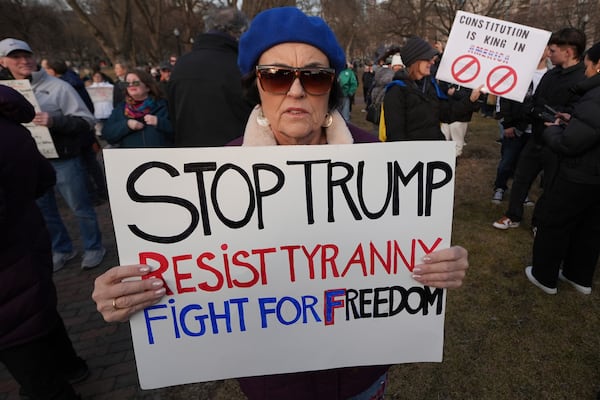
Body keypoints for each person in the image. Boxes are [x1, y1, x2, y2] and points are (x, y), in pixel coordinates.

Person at [91, 7, 470, 400]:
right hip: (273, 386)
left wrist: (443, 264)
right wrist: (129, 293)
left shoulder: (381, 160)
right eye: (275, 75)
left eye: (315, 75)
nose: (295, 90)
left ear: (332, 85)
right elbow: (188, 274)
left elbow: (405, 251)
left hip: (360, 377)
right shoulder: (214, 175)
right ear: (255, 84)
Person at [0, 84, 89, 400]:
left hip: (9, 262)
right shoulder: (12, 128)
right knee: (36, 308)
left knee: (19, 333)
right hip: (28, 239)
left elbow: (82, 120)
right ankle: (70, 365)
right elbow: (43, 179)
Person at [0, 38, 106, 271]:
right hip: (29, 161)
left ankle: (93, 247)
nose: (24, 61)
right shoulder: (4, 93)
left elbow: (87, 121)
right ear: (3, 62)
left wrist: (55, 121)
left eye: (27, 55)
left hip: (65, 159)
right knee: (45, 211)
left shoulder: (59, 87)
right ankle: (62, 249)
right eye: (16, 57)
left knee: (80, 207)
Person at [525, 41, 600, 295]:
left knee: (554, 224)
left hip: (579, 175)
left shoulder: (595, 97)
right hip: (595, 179)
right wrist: (574, 120)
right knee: (589, 228)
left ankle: (543, 276)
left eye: (589, 64)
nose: (586, 69)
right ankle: (578, 276)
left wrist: (554, 131)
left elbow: (571, 144)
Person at [492, 28, 587, 231]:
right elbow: (534, 101)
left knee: (550, 187)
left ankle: (540, 223)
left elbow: (577, 112)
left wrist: (556, 118)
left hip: (559, 145)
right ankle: (513, 215)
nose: (548, 54)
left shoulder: (582, 79)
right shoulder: (550, 75)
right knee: (521, 178)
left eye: (552, 51)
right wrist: (533, 112)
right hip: (535, 138)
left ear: (568, 52)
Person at [167, 6, 254, 147]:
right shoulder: (241, 66)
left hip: (189, 156)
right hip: (234, 158)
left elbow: (172, 115)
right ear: (238, 32)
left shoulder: (181, 65)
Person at [382, 36, 481, 142]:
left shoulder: (431, 86)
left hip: (436, 151)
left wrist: (470, 100)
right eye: (427, 58)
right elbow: (395, 135)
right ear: (415, 61)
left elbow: (447, 114)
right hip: (414, 155)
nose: (432, 62)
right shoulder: (396, 91)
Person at [43, 58, 109, 206]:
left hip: (76, 132)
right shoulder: (75, 82)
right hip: (83, 130)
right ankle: (102, 191)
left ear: (52, 71)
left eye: (45, 69)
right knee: (91, 163)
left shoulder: (63, 87)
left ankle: (92, 195)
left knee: (83, 165)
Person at [491, 48, 549, 204]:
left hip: (536, 130)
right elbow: (505, 97)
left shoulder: (550, 75)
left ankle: (521, 193)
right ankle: (500, 187)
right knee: (507, 160)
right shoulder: (519, 71)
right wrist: (508, 124)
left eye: (545, 47)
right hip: (514, 127)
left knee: (526, 166)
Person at [102, 69, 173, 148]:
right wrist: (126, 125)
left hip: (162, 157)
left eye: (136, 82)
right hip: (133, 159)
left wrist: (159, 122)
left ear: (147, 87)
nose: (131, 85)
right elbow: (107, 134)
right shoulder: (120, 109)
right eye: (127, 83)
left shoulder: (163, 105)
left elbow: (180, 132)